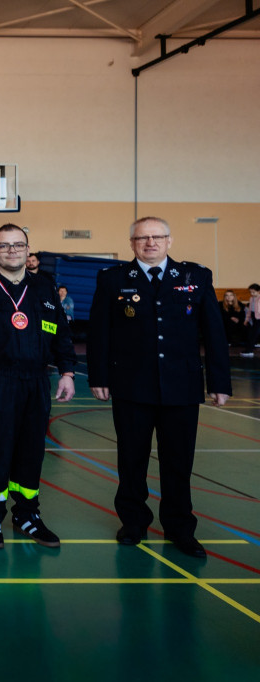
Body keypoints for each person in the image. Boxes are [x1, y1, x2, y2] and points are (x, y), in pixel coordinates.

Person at [87, 216, 230, 558]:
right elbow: (99, 333)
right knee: (131, 459)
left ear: (169, 240)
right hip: (131, 386)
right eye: (142, 238)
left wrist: (219, 382)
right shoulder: (113, 279)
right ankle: (134, 522)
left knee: (178, 462)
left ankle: (180, 528)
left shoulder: (196, 277)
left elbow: (214, 333)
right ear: (132, 243)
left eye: (157, 237)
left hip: (181, 387)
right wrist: (99, 377)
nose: (150, 243)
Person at [0, 224, 76, 549]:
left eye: (18, 245)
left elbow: (60, 331)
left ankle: (27, 515)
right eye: (4, 246)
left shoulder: (44, 287)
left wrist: (67, 371)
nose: (12, 250)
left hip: (37, 380)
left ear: (27, 249)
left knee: (32, 450)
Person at [241, 283, 260, 357]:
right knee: (251, 334)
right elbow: (249, 311)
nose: (252, 294)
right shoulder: (251, 298)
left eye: (253, 292)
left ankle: (250, 350)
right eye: (250, 292)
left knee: (254, 334)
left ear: (258, 291)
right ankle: (249, 349)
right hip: (253, 317)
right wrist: (246, 320)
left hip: (259, 318)